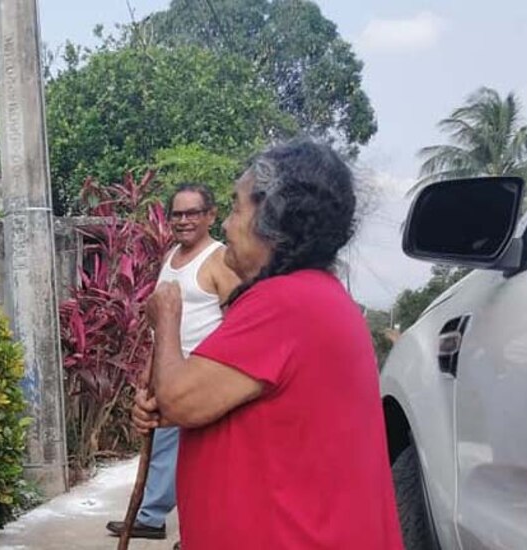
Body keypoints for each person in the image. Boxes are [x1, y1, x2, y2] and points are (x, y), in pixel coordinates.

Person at [133, 140, 403, 549]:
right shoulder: (312, 297)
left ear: (272, 218)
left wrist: (167, 320)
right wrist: (168, 407)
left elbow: (181, 401)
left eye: (237, 208)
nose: (226, 225)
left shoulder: (285, 303)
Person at [106, 183, 239, 542]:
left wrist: (219, 375)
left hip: (203, 378)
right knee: (166, 451)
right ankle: (153, 516)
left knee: (205, 462)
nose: (183, 221)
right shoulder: (171, 258)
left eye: (192, 213)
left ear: (211, 215)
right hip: (169, 373)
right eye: (177, 214)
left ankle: (198, 530)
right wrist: (148, 373)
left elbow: (238, 323)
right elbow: (161, 323)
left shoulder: (219, 260)